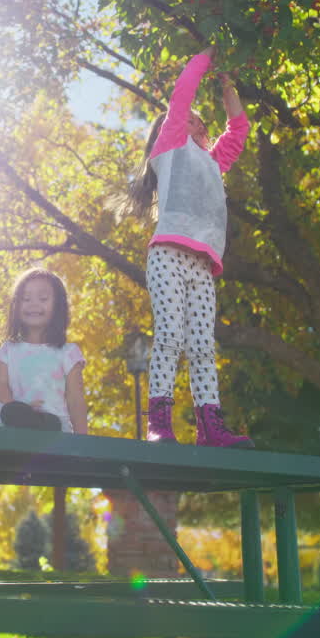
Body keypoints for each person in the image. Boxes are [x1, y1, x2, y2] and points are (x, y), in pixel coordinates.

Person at [125, 46, 254, 448]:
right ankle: (159, 423)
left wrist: (226, 79)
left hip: (201, 266)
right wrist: (208, 54)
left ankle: (210, 427)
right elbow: (181, 95)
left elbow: (239, 129)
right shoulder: (170, 148)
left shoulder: (213, 162)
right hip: (167, 256)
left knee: (201, 345)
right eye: (194, 115)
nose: (201, 119)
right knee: (169, 337)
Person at [0, 268, 89, 434]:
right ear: (15, 305)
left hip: (54, 428)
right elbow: (0, 385)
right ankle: (23, 421)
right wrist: (15, 408)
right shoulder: (9, 349)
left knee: (50, 422)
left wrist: (83, 440)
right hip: (15, 429)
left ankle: (39, 423)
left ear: (58, 306)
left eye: (43, 298)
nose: (33, 304)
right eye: (26, 299)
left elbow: (75, 400)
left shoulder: (68, 352)